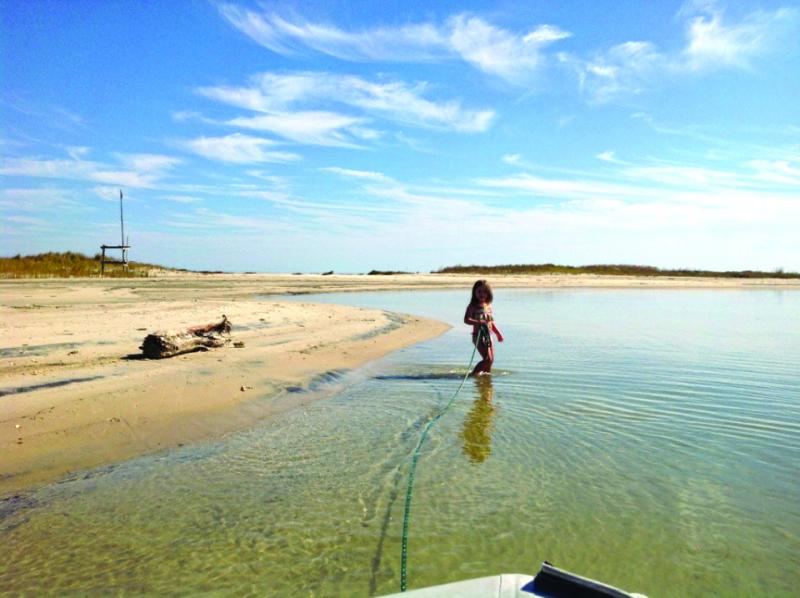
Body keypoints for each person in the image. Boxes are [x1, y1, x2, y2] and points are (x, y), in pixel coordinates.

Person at [464, 279, 503, 376]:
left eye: (485, 292)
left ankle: (486, 381)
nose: (482, 294)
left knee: (491, 361)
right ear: (474, 293)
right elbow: (466, 320)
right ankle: (473, 375)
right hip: (478, 336)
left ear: (488, 293)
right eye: (479, 291)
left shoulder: (488, 306)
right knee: (487, 359)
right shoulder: (472, 306)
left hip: (489, 335)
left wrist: (498, 333)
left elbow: (491, 322)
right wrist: (478, 322)